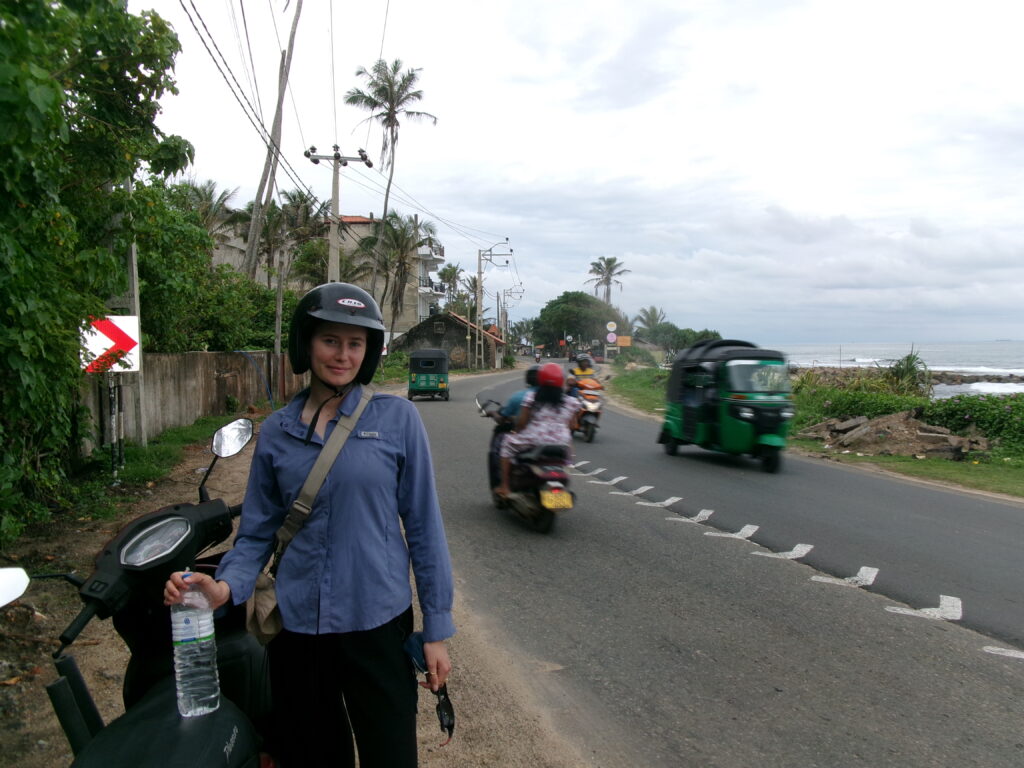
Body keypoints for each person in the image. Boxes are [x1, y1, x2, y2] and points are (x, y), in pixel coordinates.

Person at [163, 283, 454, 768]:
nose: (343, 355)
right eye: (330, 341)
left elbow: (424, 527)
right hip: (298, 629)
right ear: (306, 344)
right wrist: (223, 589)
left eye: (355, 343)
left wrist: (436, 629)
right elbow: (257, 532)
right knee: (312, 755)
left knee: (391, 755)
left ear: (370, 351)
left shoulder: (397, 419)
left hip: (377, 622)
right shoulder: (278, 430)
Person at [495, 363, 581, 498]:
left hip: (534, 439)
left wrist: (517, 431)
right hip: (562, 443)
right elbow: (573, 425)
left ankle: (504, 486)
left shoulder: (531, 398)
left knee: (506, 444)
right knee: (568, 457)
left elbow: (522, 423)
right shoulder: (571, 401)